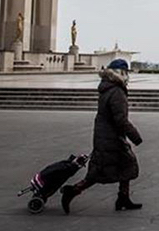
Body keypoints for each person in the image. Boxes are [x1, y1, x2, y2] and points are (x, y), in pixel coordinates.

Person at [61, 59, 143, 214]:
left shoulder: (108, 88)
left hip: (105, 134)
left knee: (126, 165)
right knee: (100, 171)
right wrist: (135, 136)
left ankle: (123, 198)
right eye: (126, 73)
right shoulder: (117, 91)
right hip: (110, 137)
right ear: (121, 74)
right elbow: (120, 119)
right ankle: (73, 190)